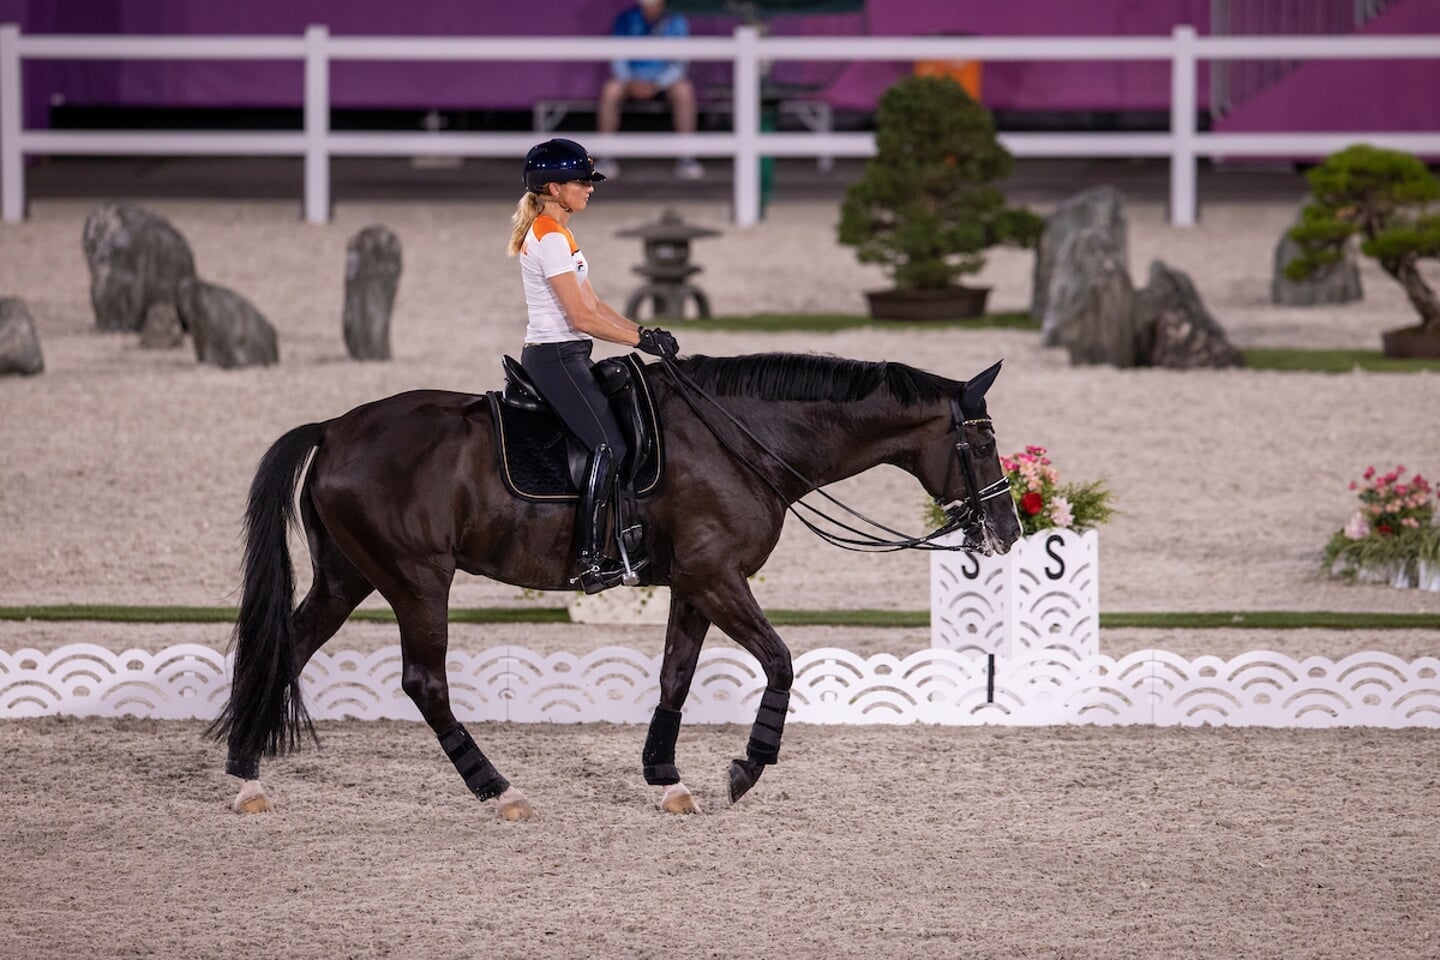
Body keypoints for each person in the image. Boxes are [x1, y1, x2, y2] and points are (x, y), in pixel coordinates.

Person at [506, 137, 680, 594]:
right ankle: (589, 558)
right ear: (554, 188)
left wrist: (643, 333)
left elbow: (594, 303)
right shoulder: (546, 236)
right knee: (611, 447)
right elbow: (580, 318)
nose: (590, 189)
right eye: (582, 182)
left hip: (569, 352)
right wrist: (639, 341)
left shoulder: (559, 234)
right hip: (555, 356)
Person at [595, 0, 705, 181]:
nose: (650, 7)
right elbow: (618, 58)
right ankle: (606, 158)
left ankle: (687, 158)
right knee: (611, 90)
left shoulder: (676, 20)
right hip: (631, 78)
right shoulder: (626, 19)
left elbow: (680, 63)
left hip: (664, 79)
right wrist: (629, 80)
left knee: (684, 90)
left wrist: (657, 84)